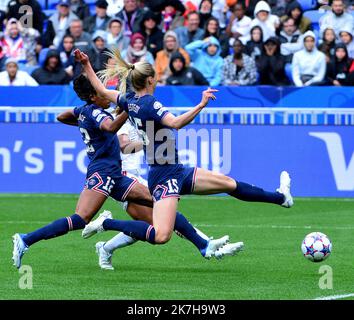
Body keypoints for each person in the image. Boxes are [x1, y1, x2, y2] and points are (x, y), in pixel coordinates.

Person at [74, 48, 293, 258]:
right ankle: (106, 223)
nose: (157, 79)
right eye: (156, 76)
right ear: (150, 80)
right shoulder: (149, 103)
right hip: (163, 176)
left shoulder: (129, 100)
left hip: (176, 170)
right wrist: (201, 105)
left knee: (229, 184)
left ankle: (281, 198)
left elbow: (101, 91)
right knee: (161, 235)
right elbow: (176, 123)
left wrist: (86, 64)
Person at [12, 72, 236, 268]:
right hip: (103, 174)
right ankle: (26, 239)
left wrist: (81, 119)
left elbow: (63, 116)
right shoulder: (97, 113)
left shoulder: (84, 111)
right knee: (81, 219)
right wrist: (128, 111)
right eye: (101, 92)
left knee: (161, 201)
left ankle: (204, 245)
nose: (106, 94)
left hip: (115, 175)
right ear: (93, 96)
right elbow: (111, 129)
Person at [94, 116, 241, 270]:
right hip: (123, 178)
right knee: (160, 222)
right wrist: (148, 142)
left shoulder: (133, 117)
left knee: (155, 224)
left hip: (134, 178)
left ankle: (105, 247)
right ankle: (206, 245)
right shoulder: (120, 119)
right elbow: (124, 145)